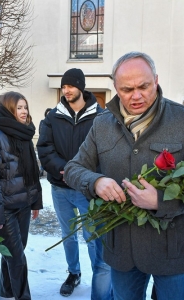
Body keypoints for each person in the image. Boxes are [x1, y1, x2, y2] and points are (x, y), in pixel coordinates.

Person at [63, 52, 184, 300]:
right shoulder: (102, 124)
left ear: (156, 80)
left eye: (144, 86)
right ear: (116, 88)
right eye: (127, 89)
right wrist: (96, 182)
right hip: (122, 253)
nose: (136, 95)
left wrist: (162, 200)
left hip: (172, 252)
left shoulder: (180, 119)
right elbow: (74, 169)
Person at [37, 68, 112, 299]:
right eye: (64, 86)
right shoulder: (53, 116)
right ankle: (73, 272)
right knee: (68, 234)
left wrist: (83, 176)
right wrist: (64, 170)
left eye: (70, 86)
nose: (66, 90)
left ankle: (99, 275)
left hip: (86, 190)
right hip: (60, 188)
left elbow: (106, 152)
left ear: (81, 87)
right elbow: (45, 148)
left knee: (92, 236)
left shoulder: (101, 117)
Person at [0, 91, 43, 300]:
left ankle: (6, 293)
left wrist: (36, 202)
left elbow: (32, 172)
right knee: (17, 258)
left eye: (25, 107)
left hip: (23, 205)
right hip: (5, 208)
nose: (24, 112)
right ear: (8, 109)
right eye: (19, 108)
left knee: (13, 253)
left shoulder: (25, 134)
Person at [38, 108, 52, 177]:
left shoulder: (54, 123)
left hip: (51, 143)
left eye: (50, 113)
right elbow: (40, 131)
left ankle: (50, 170)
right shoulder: (42, 122)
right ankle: (41, 170)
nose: (48, 114)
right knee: (43, 156)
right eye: (47, 113)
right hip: (43, 142)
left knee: (50, 157)